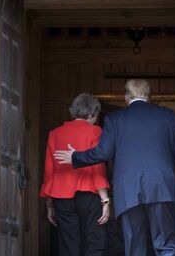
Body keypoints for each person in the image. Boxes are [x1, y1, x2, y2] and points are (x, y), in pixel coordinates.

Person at [54, 79, 175, 256]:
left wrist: (75, 156)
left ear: (126, 97)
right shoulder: (169, 117)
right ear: (148, 97)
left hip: (128, 190)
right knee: (167, 245)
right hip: (162, 188)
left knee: (135, 246)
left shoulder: (114, 119)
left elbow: (102, 153)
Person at [39, 93, 111, 256]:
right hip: (89, 193)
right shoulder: (95, 132)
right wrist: (105, 200)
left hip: (61, 194)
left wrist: (49, 203)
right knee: (94, 241)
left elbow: (49, 170)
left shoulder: (55, 134)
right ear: (91, 114)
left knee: (68, 244)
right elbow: (97, 166)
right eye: (96, 115)